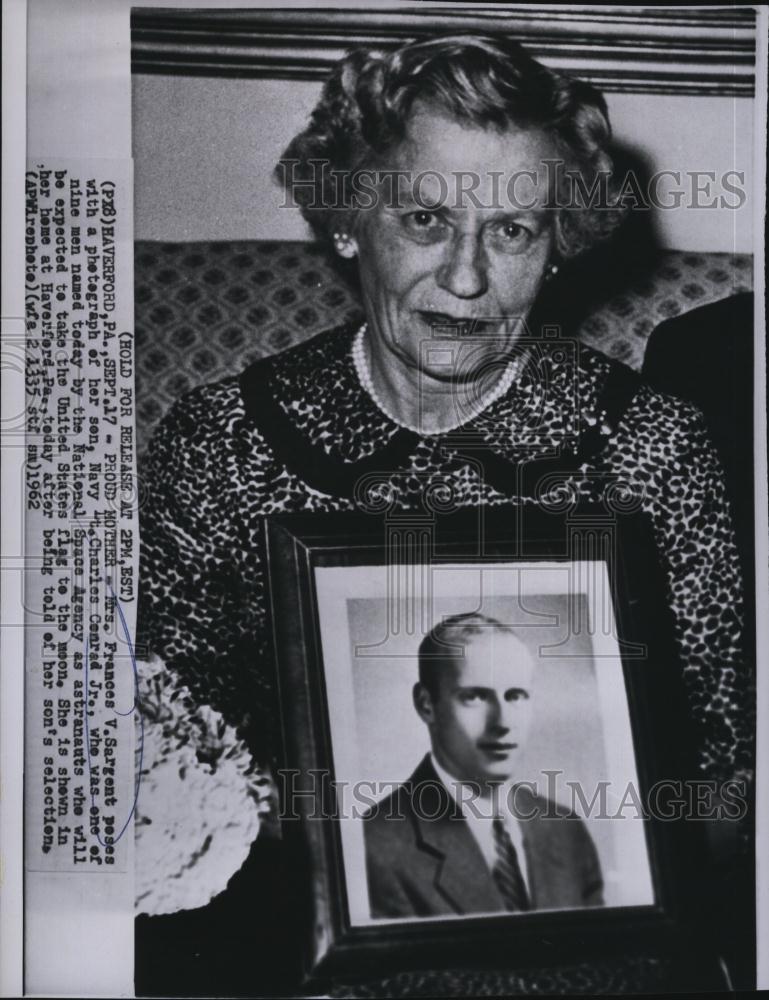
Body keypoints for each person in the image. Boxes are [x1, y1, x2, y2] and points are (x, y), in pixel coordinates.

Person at [137, 33, 751, 994]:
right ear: (347, 221)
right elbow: (163, 749)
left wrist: (635, 865)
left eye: (512, 232)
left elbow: (733, 769)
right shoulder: (221, 442)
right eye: (425, 219)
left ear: (556, 247)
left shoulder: (653, 449)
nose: (466, 279)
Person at [364, 613, 604, 919]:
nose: (503, 722)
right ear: (426, 705)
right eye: (475, 696)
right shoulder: (374, 850)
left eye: (515, 696)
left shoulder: (566, 830)